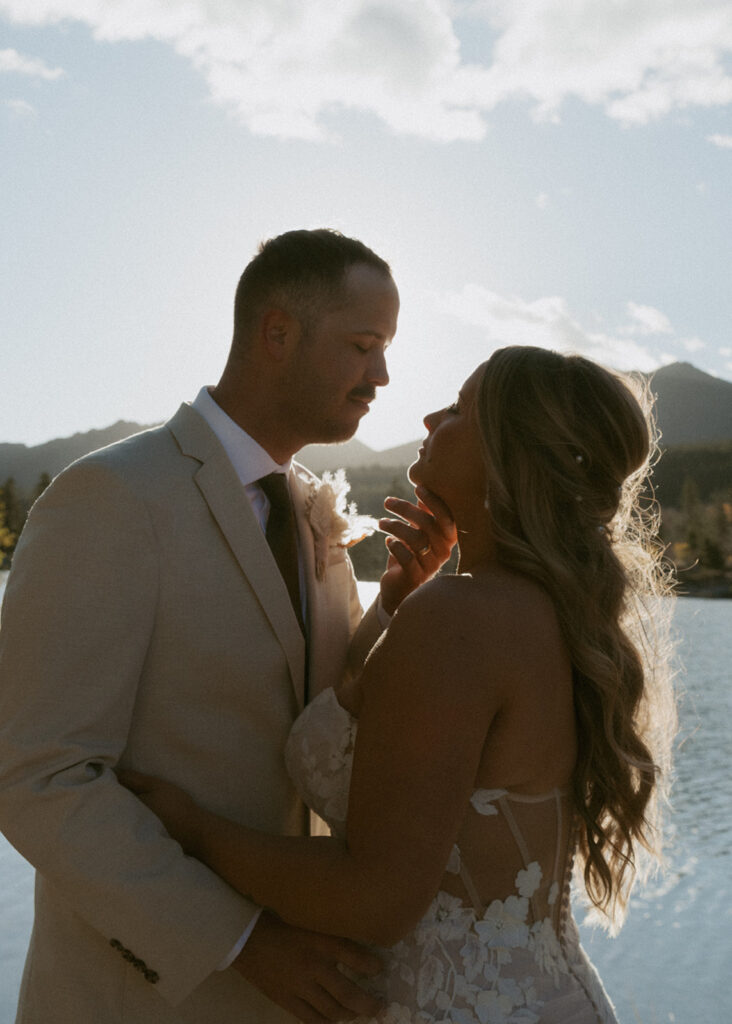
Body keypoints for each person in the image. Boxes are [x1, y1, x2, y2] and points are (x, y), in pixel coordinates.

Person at [120, 346, 677, 1024]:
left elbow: (375, 900)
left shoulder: (462, 618)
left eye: (461, 410)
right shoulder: (544, 610)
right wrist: (396, 606)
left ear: (510, 455)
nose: (430, 416)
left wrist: (193, 829)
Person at [0, 228, 457, 1024]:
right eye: (362, 345)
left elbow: (325, 712)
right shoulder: (111, 499)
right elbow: (35, 774)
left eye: (385, 349)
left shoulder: (311, 508)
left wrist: (393, 603)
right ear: (277, 333)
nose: (382, 375)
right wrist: (241, 941)